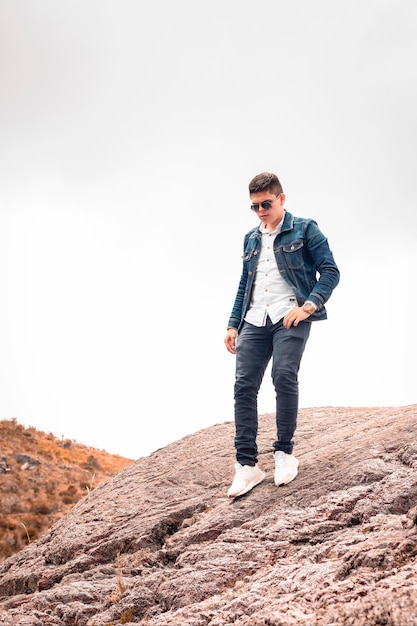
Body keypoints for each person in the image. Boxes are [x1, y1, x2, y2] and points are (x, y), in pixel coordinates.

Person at [224, 172, 340, 498]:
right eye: (254, 206)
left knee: (284, 375)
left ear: (282, 199)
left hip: (291, 315)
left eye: (266, 204)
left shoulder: (305, 228)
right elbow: (244, 285)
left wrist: (309, 306)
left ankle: (284, 454)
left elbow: (330, 271)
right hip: (253, 319)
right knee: (243, 386)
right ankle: (247, 466)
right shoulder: (250, 239)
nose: (260, 211)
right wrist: (233, 324)